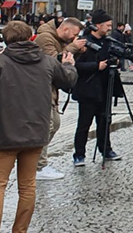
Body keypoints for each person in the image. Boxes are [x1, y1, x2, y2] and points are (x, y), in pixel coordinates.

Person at [0, 21, 77, 233]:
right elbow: (68, 80)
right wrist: (68, 64)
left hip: (5, 134)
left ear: (6, 39)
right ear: (30, 37)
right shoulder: (47, 61)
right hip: (35, 133)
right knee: (27, 187)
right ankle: (20, 230)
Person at [33, 17, 86, 180]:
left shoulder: (57, 38)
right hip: (40, 89)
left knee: (53, 124)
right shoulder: (45, 38)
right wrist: (73, 48)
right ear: (65, 29)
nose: (73, 38)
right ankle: (37, 165)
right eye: (73, 34)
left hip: (50, 89)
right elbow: (54, 62)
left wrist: (75, 52)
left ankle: (36, 162)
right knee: (47, 125)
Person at [71, 10, 123, 167]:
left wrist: (115, 63)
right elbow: (75, 65)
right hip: (88, 90)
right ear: (98, 25)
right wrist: (96, 66)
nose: (109, 28)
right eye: (107, 25)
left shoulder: (109, 42)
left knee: (105, 122)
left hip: (105, 88)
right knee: (84, 125)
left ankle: (106, 149)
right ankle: (79, 154)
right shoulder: (83, 43)